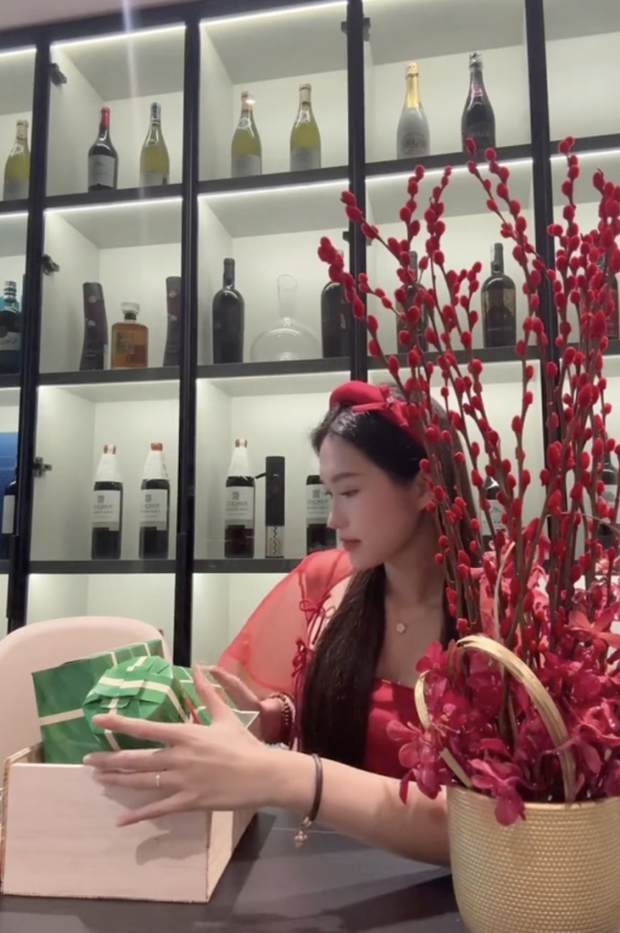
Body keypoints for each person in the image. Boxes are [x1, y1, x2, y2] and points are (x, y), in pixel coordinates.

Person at [85, 380, 476, 866]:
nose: (333, 518)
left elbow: (498, 826)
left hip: (460, 893)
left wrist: (283, 774)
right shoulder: (326, 583)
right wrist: (275, 717)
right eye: (329, 493)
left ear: (422, 486)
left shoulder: (505, 613)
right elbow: (302, 715)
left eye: (350, 491)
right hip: (321, 868)